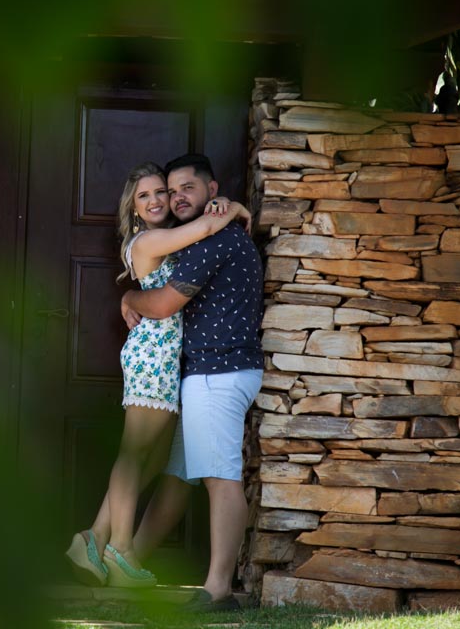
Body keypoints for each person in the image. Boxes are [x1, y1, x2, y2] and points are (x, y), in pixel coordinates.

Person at [65, 161, 251, 588]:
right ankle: (122, 550)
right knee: (133, 455)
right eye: (143, 196)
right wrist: (233, 207)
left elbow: (202, 227)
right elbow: (205, 229)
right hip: (152, 358)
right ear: (132, 207)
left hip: (169, 360)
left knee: (148, 459)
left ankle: (91, 539)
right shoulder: (149, 241)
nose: (154, 201)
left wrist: (226, 202)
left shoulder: (168, 241)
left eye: (159, 193)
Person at [120, 153, 263, 612]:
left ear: (212, 190)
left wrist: (127, 295)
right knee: (178, 477)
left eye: (188, 188)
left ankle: (217, 589)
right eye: (171, 189)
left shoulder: (212, 241)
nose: (177, 197)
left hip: (216, 375)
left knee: (221, 479)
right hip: (203, 373)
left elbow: (162, 305)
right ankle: (131, 562)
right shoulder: (210, 233)